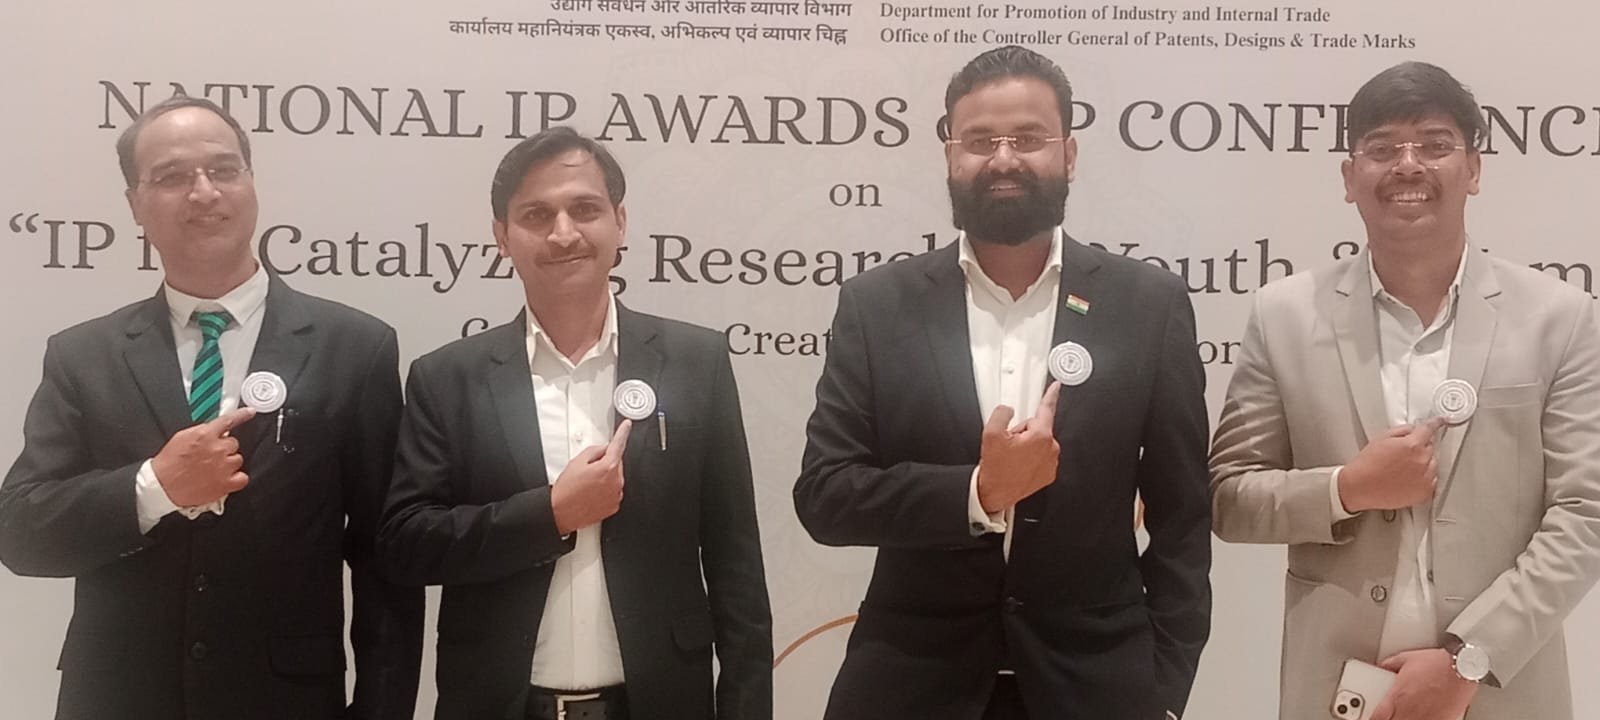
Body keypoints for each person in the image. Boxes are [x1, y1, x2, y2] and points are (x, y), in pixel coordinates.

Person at [794, 45, 1211, 720]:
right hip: (911, 688)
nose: (1004, 158)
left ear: (1069, 154)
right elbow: (825, 496)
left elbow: (1183, 515)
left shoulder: (1148, 305)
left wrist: (1164, 686)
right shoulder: (878, 306)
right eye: (980, 140)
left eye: (1029, 138)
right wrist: (978, 491)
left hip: (1098, 689)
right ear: (950, 156)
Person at [0, 95, 423, 720]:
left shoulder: (354, 348)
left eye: (223, 170)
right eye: (172, 177)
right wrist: (154, 487)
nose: (203, 192)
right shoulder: (82, 356)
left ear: (251, 182)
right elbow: (20, 532)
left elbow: (383, 556)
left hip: (286, 702)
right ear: (135, 204)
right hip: (118, 699)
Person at [1210, 61, 1600, 720]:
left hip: (1502, 689)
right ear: (1349, 177)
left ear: (1473, 169)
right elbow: (1230, 498)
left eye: (1436, 144)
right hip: (1334, 690)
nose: (1409, 164)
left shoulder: (1558, 317)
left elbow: (1585, 513)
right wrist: (1346, 489)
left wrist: (1468, 660)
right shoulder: (1285, 315)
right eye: (1383, 147)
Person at [379, 126, 772, 720]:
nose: (563, 233)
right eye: (536, 215)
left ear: (620, 222)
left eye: (584, 209)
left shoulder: (697, 362)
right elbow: (407, 545)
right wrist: (551, 514)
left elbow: (736, 564)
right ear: (502, 237)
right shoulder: (447, 378)